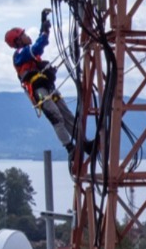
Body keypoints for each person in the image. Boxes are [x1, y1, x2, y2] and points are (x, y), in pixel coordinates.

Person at [5, 9, 87, 157]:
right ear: (17, 41)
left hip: (48, 88)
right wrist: (44, 29)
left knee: (67, 115)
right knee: (56, 116)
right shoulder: (20, 54)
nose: (26, 35)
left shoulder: (29, 55)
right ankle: (69, 147)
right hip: (39, 91)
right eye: (23, 35)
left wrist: (44, 26)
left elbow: (39, 45)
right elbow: (38, 46)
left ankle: (83, 143)